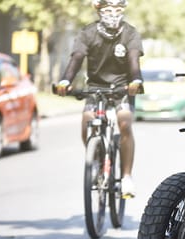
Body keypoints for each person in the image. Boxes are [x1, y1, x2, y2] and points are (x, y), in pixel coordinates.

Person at [56, 0, 143, 198]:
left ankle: (127, 177)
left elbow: (134, 61)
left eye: (117, 9)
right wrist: (65, 80)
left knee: (125, 123)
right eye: (108, 9)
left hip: (123, 88)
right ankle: (95, 158)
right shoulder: (87, 33)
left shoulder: (130, 33)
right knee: (87, 121)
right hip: (95, 87)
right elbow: (76, 59)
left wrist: (136, 80)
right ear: (98, 11)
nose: (113, 13)